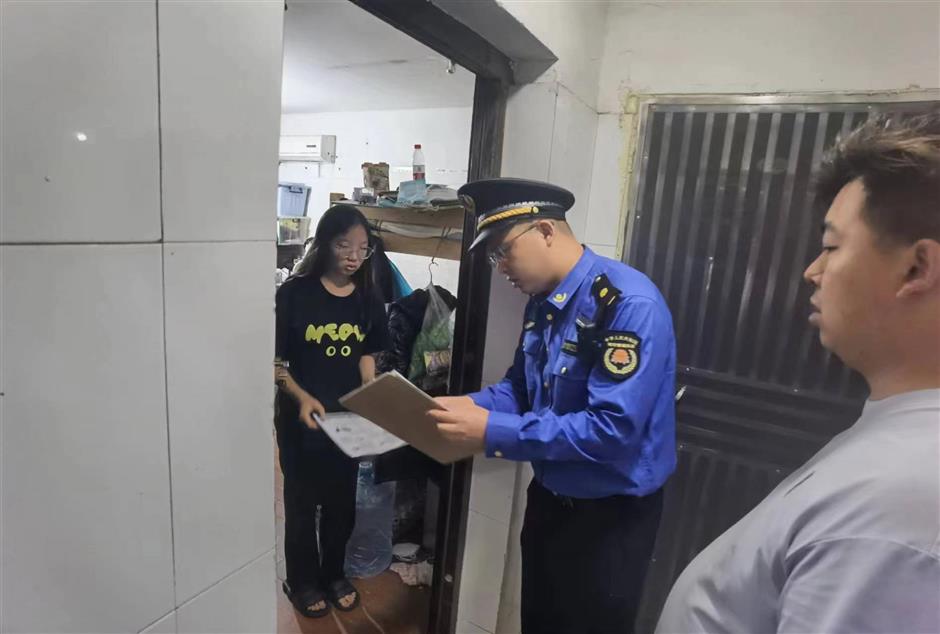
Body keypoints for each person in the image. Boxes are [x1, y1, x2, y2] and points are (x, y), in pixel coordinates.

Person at [655, 114, 940, 633]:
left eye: (831, 247)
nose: (813, 270)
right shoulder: (900, 439)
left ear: (916, 268)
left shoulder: (897, 511)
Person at [429, 178, 677, 634]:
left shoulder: (627, 305)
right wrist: (457, 407)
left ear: (545, 230)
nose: (500, 268)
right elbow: (520, 390)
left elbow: (610, 431)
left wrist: (489, 431)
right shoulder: (543, 303)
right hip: (549, 502)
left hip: (610, 520)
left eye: (503, 251)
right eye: (494, 257)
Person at [274, 204, 389, 619]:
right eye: (344, 245)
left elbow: (367, 351)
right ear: (324, 244)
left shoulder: (368, 295)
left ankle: (333, 573)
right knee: (302, 504)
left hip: (347, 419)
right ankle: (302, 580)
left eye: (362, 248)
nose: (354, 256)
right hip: (301, 419)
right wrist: (302, 397)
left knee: (342, 502)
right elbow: (275, 362)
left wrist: (371, 386)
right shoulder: (294, 294)